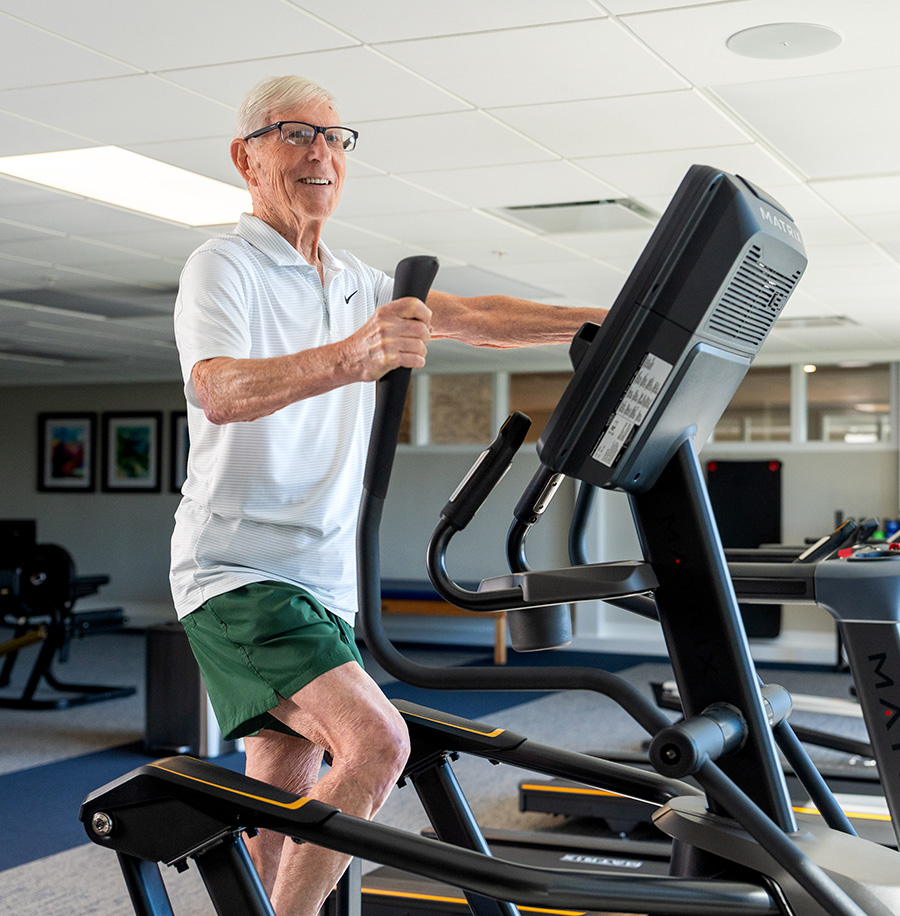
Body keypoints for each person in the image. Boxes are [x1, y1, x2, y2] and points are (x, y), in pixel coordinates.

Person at [170, 74, 609, 916]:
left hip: (324, 578)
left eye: (336, 138)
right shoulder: (221, 265)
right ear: (246, 157)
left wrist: (612, 319)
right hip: (242, 571)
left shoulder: (353, 278)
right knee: (378, 744)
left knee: (285, 783)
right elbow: (220, 390)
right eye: (296, 133)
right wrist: (352, 356)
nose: (321, 154)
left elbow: (474, 314)